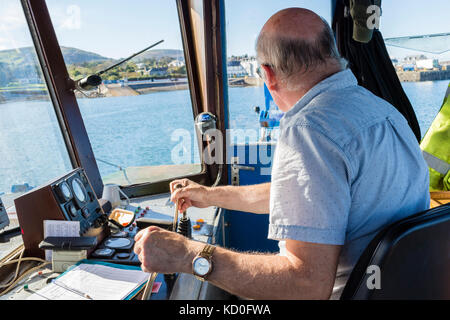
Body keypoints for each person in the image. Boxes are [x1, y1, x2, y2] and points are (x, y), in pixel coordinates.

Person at [134, 7, 430, 300]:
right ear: (331, 53)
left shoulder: (309, 129)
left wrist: (188, 254)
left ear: (268, 74)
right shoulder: (386, 112)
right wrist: (209, 195)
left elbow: (304, 286)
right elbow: (303, 195)